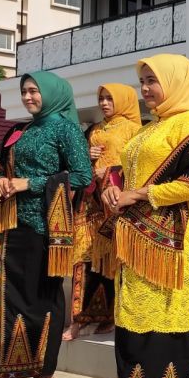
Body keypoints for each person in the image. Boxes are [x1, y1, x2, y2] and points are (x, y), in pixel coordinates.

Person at [0, 72, 91, 378]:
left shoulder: (65, 129)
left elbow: (82, 175)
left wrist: (29, 184)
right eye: (24, 91)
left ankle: (43, 374)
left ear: (51, 93)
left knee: (43, 300)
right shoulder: (18, 130)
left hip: (47, 229)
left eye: (34, 91)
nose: (28, 97)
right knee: (4, 299)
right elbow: (3, 169)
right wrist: (4, 182)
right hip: (11, 225)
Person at [99, 54, 189, 378]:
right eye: (143, 81)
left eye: (153, 80)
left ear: (176, 81)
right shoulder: (150, 127)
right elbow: (126, 174)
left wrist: (141, 194)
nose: (145, 88)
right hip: (137, 242)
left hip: (172, 244)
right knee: (132, 324)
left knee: (164, 326)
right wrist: (113, 190)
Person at [64, 84, 141, 342]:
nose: (104, 103)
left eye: (110, 98)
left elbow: (139, 166)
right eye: (101, 98)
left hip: (117, 200)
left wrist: (109, 172)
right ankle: (78, 319)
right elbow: (78, 165)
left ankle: (112, 315)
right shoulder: (95, 129)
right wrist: (87, 156)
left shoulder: (135, 131)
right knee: (83, 256)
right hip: (91, 202)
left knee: (116, 257)